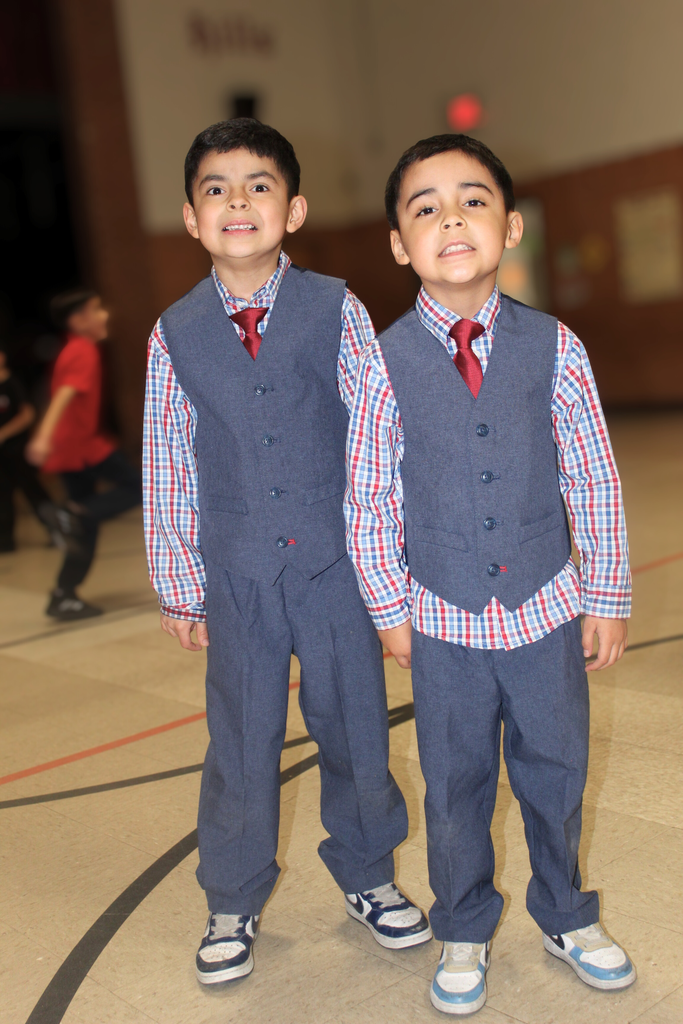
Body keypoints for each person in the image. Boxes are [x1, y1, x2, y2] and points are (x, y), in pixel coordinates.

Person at [344, 133, 635, 1016]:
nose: (449, 220)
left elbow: (590, 472)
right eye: (423, 208)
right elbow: (368, 498)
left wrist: (606, 591)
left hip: (546, 607)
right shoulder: (381, 360)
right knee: (455, 780)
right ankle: (462, 924)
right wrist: (390, 609)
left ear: (510, 227)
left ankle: (564, 911)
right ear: (399, 244)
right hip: (441, 619)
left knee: (554, 768)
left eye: (471, 200)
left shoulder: (555, 345)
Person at [143, 117, 430, 987]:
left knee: (353, 726)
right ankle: (231, 894)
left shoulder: (336, 306)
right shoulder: (174, 333)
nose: (238, 201)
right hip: (235, 572)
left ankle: (369, 874)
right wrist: (180, 583)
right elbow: (167, 462)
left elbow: (379, 436)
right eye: (216, 189)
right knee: (240, 735)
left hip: (335, 564)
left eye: (259, 185)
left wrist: (388, 570)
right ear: (191, 218)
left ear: (293, 208)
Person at [26, 288, 141, 621]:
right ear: (78, 320)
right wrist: (44, 436)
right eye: (96, 310)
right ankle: (74, 513)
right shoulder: (82, 350)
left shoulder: (72, 349)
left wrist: (47, 437)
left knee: (82, 527)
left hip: (71, 448)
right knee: (139, 487)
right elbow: (63, 395)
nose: (104, 315)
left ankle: (64, 594)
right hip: (83, 448)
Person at [0, 341, 55, 552]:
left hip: (18, 450)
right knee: (3, 496)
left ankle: (56, 530)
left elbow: (27, 414)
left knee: (33, 492)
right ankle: (5, 541)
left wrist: (4, 433)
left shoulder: (12, 383)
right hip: (2, 454)